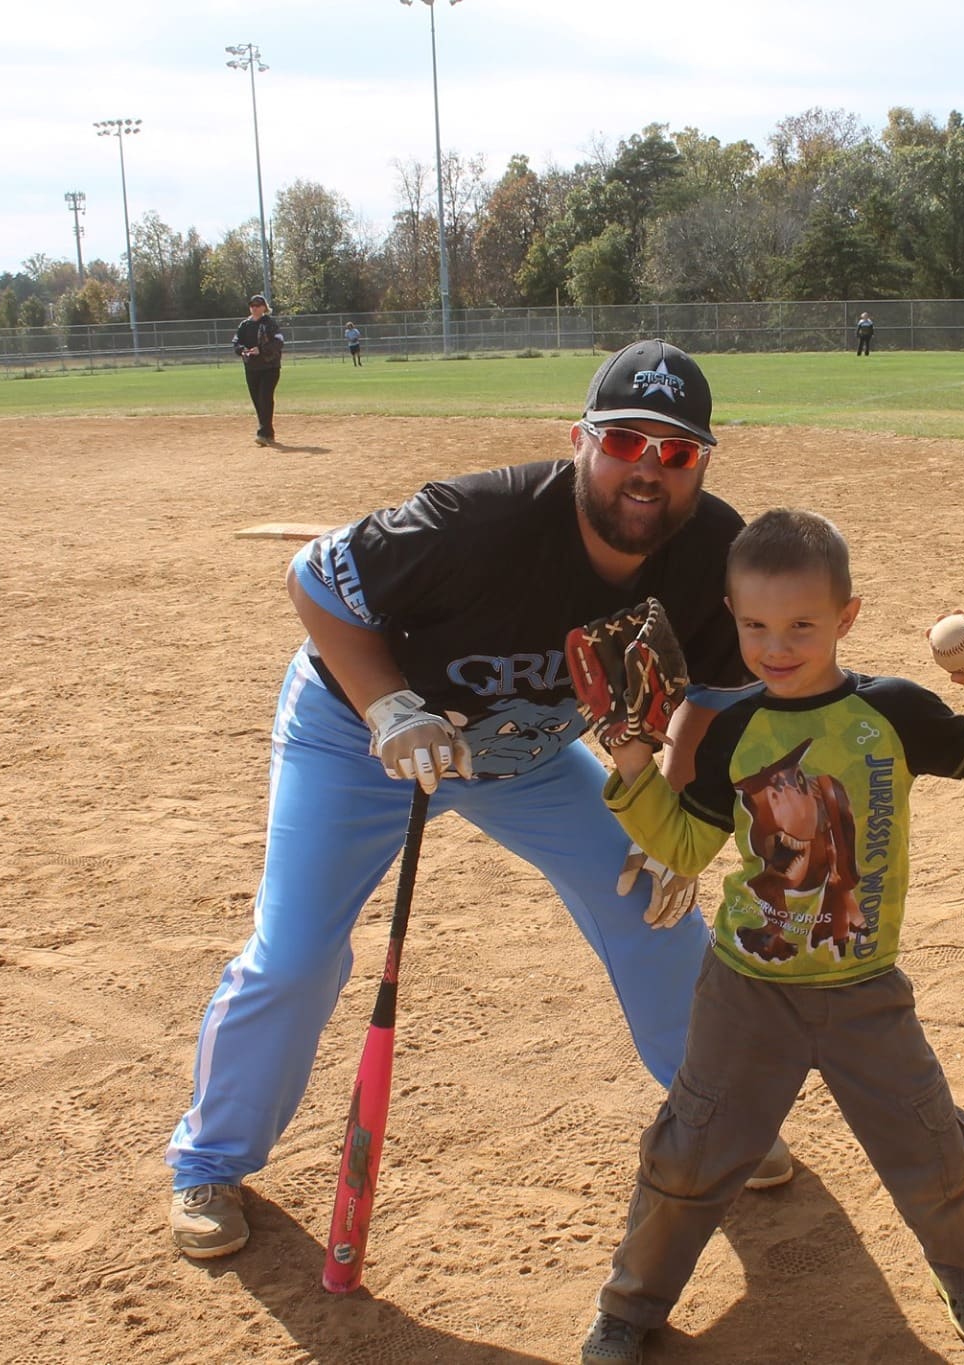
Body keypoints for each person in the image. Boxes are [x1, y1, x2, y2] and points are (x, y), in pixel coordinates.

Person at [165, 339, 794, 1261]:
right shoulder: (479, 519)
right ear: (580, 441)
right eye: (625, 441)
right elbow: (316, 576)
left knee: (651, 904)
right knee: (296, 955)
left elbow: (717, 692)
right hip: (360, 741)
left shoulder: (710, 551)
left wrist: (672, 817)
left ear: (701, 464)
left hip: (528, 756)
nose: (648, 469)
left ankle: (717, 1118)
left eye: (676, 451)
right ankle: (210, 1160)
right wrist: (388, 705)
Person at [577, 509, 964, 1364]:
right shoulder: (732, 730)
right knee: (690, 1153)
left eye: (801, 625)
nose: (775, 646)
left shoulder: (891, 711)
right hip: (748, 989)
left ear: (846, 617)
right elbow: (685, 848)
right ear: (730, 614)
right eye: (754, 625)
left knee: (933, 1148)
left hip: (864, 988)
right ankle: (630, 1304)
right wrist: (633, 764)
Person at [234, 294, 286, 445]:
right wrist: (242, 350)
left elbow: (279, 342)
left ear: (264, 307)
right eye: (252, 305)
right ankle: (268, 433)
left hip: (270, 367)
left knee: (264, 398)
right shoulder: (244, 325)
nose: (255, 308)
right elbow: (236, 342)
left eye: (258, 305)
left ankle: (263, 433)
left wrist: (261, 350)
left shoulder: (269, 323)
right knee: (257, 400)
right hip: (251, 367)